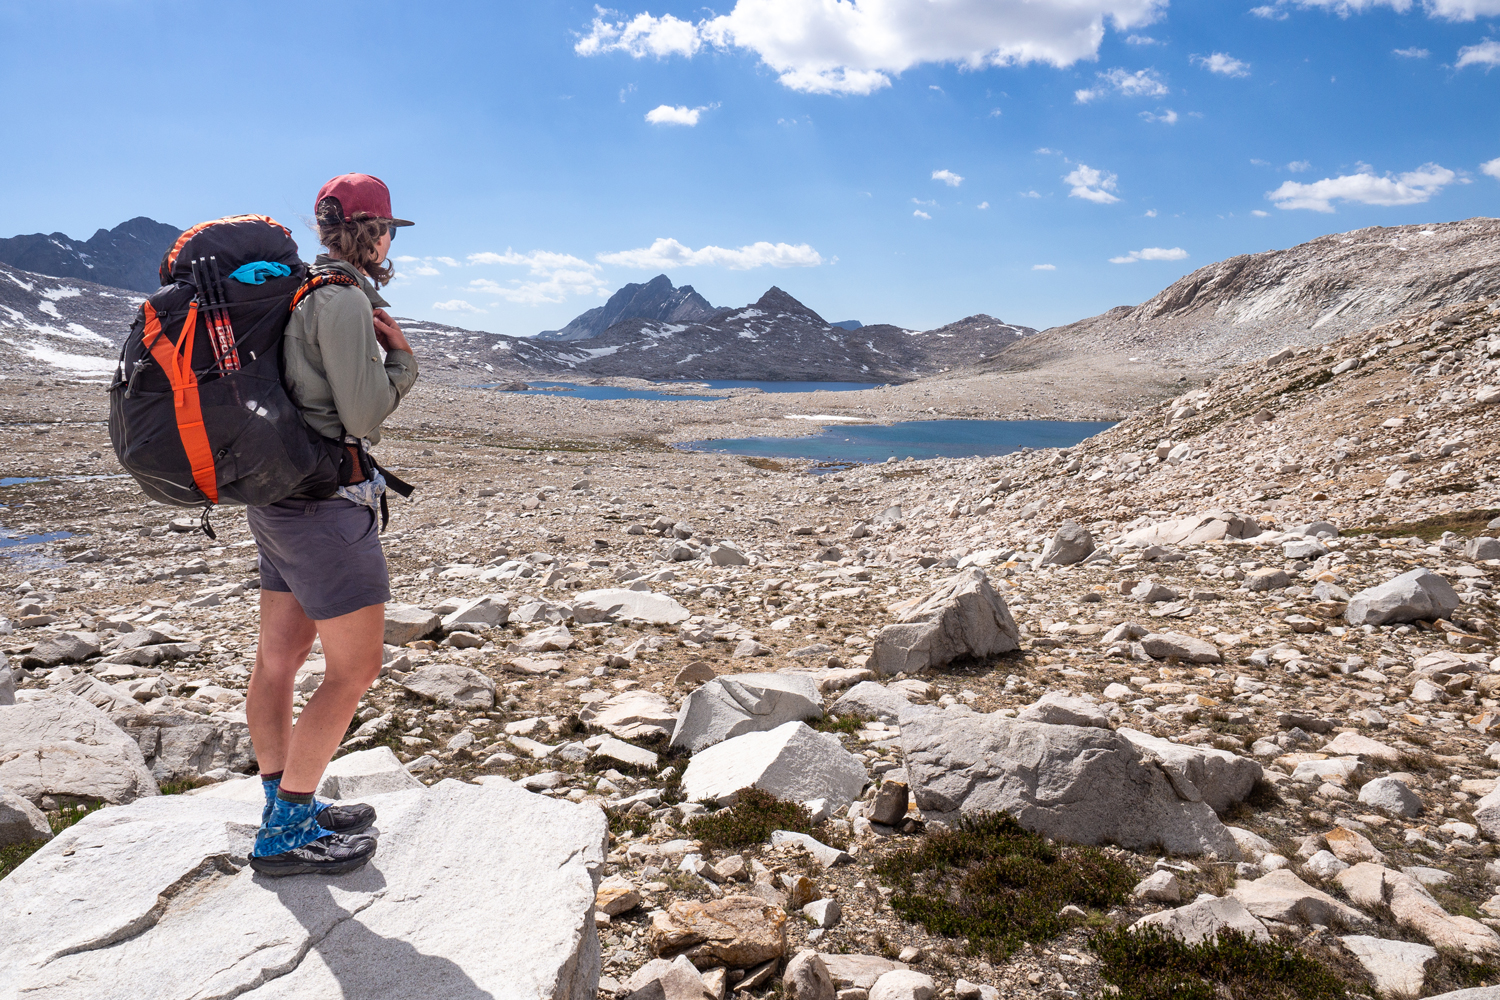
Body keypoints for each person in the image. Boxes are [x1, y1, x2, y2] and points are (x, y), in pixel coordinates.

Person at [244, 173, 418, 876]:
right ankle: (286, 831)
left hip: (277, 498)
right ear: (373, 233)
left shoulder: (293, 291)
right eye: (387, 231)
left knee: (279, 659)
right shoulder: (342, 301)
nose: (387, 243)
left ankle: (281, 802)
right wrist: (403, 360)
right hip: (323, 505)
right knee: (355, 670)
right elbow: (364, 415)